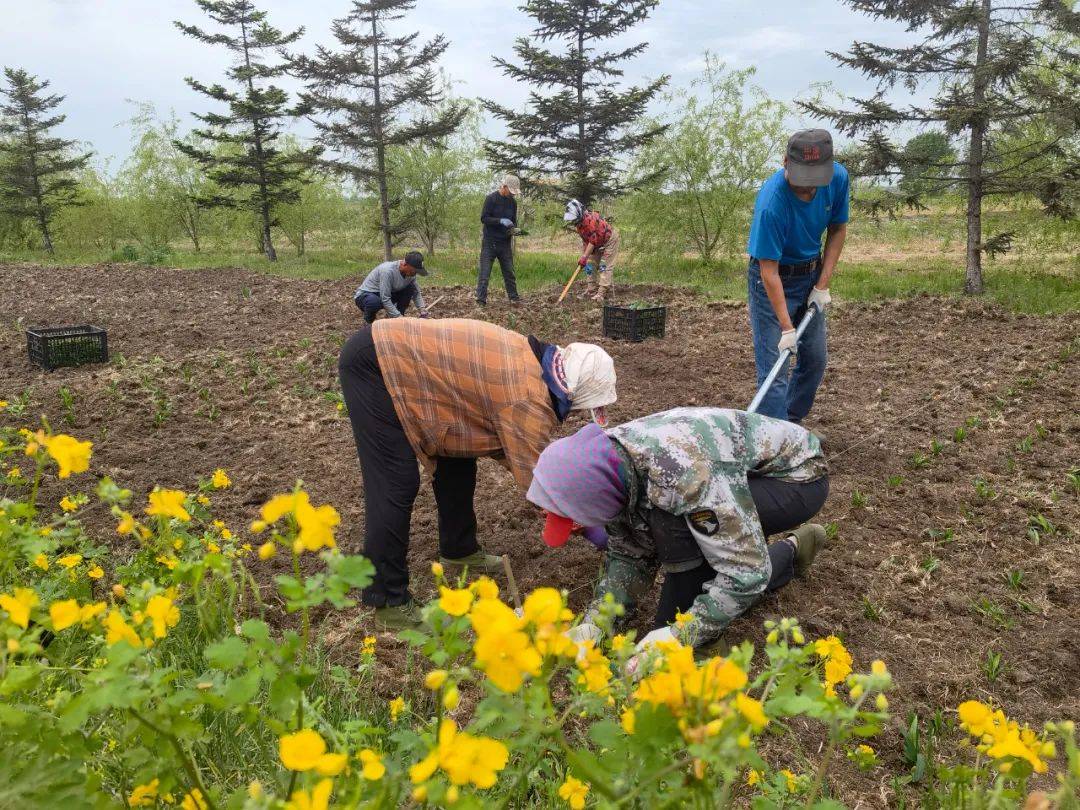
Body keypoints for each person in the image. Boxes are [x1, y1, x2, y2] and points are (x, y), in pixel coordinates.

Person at [339, 317, 617, 629]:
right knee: (396, 482)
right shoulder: (527, 396)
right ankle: (388, 601)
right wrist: (599, 534)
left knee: (460, 453)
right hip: (379, 363)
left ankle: (459, 550)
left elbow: (508, 446)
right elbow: (541, 481)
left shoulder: (540, 362)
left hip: (422, 371)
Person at [525, 407, 829, 653]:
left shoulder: (679, 476)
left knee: (678, 526)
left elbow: (747, 571)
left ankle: (707, 644)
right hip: (731, 474)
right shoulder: (610, 468)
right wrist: (598, 622)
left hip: (797, 478)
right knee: (679, 526)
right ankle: (793, 550)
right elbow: (630, 553)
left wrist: (681, 632)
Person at [746, 129, 849, 423]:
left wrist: (822, 285)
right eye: (802, 181)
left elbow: (838, 229)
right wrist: (786, 328)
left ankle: (790, 427)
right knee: (776, 370)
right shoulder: (771, 203)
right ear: (785, 164)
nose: (808, 191)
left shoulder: (838, 178)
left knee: (815, 361)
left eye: (815, 181)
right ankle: (769, 446)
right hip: (772, 279)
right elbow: (768, 271)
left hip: (810, 274)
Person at [476, 174, 521, 306]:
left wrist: (514, 230)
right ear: (504, 186)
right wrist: (499, 220)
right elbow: (484, 218)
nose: (512, 195)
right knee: (485, 274)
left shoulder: (513, 202)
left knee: (509, 272)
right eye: (511, 191)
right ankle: (481, 301)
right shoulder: (491, 199)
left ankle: (514, 299)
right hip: (490, 242)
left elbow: (513, 221)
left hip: (505, 243)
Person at [563, 199, 619, 302]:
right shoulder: (579, 225)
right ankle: (591, 290)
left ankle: (601, 293)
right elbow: (586, 240)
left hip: (609, 240)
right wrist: (585, 257)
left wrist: (584, 257)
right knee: (589, 265)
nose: (572, 221)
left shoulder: (590, 221)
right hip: (597, 243)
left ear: (579, 213)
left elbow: (592, 241)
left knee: (604, 266)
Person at [354, 251, 430, 323]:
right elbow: (385, 298)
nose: (414, 273)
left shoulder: (411, 274)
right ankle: (369, 321)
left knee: (410, 288)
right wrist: (399, 317)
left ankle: (397, 320)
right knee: (374, 302)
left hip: (388, 293)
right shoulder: (387, 271)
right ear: (405, 264)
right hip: (367, 295)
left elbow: (416, 293)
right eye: (414, 270)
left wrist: (422, 309)